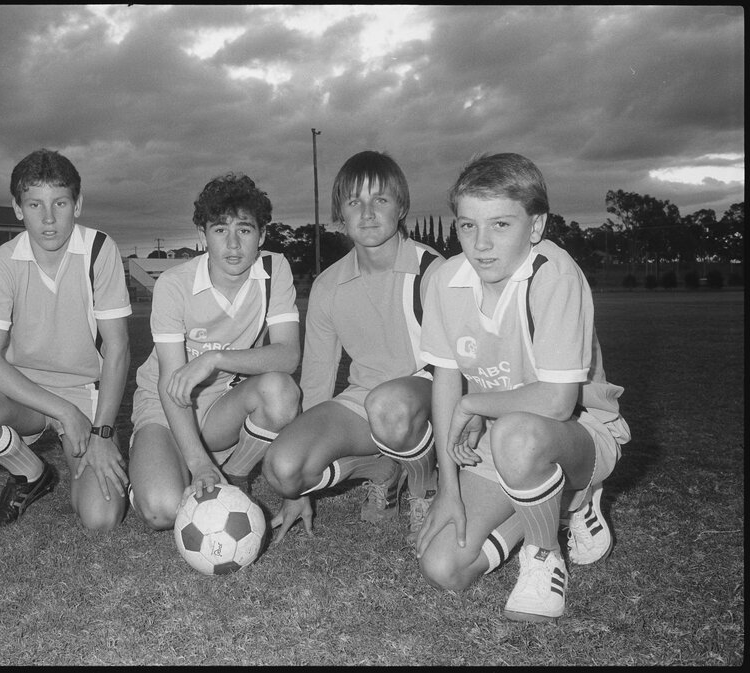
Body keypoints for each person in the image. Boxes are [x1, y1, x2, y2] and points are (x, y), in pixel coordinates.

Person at [413, 152, 631, 622]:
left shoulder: (554, 273)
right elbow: (446, 381)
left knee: (518, 432)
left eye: (501, 225)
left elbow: (556, 402)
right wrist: (448, 488)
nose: (481, 243)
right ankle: (565, 503)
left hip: (580, 433)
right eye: (467, 226)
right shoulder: (445, 280)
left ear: (535, 227)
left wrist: (475, 402)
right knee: (443, 566)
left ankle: (544, 552)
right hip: (502, 443)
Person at [0, 148, 132, 531]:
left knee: (102, 520)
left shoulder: (99, 251)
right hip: (23, 392)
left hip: (84, 389)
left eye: (60, 203)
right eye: (34, 205)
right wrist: (63, 411)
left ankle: (117, 462)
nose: (48, 219)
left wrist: (102, 432)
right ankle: (32, 473)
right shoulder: (2, 261)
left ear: (77, 205)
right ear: (17, 208)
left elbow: (118, 349)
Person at [264, 150, 443, 544]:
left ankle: (425, 486)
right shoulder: (329, 285)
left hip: (430, 396)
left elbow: (459, 367)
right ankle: (383, 469)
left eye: (380, 199)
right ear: (339, 213)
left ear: (401, 207)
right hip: (368, 404)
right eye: (354, 201)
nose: (367, 212)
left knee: (390, 405)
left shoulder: (433, 271)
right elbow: (316, 379)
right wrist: (301, 490)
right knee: (283, 469)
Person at [128, 173, 301, 530]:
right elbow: (170, 384)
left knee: (281, 391)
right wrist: (198, 463)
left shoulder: (274, 269)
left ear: (262, 235)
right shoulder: (174, 284)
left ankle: (234, 473)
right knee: (162, 511)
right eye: (220, 230)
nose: (233, 244)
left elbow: (287, 355)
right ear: (202, 235)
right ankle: (159, 456)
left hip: (222, 403)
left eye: (245, 229)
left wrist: (215, 358)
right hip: (166, 404)